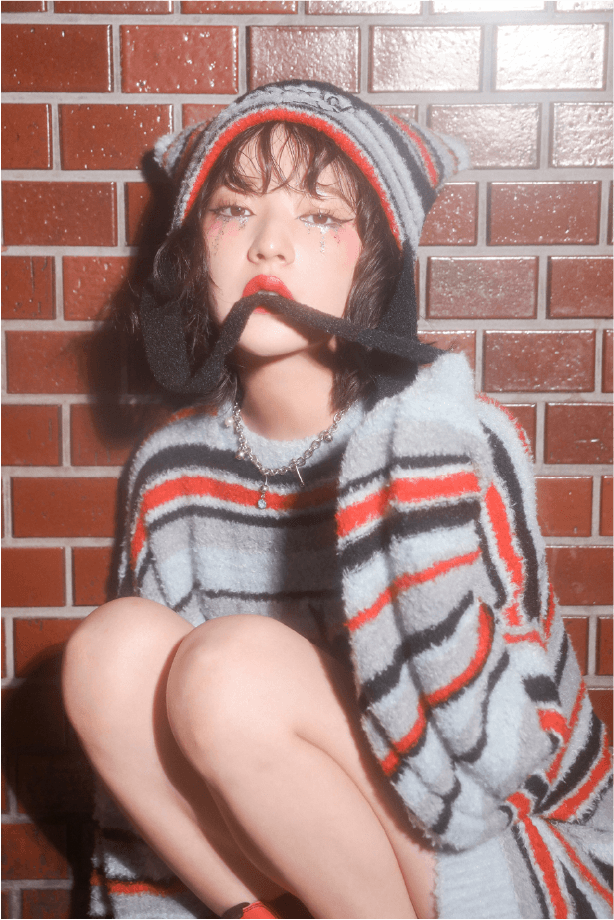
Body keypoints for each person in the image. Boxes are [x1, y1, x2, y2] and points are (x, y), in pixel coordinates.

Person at [62, 80, 614, 920]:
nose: (269, 246)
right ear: (192, 249)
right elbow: (147, 773)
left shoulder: (447, 440)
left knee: (227, 672)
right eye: (234, 209)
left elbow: (513, 749)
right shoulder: (169, 471)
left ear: (378, 259)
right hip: (292, 861)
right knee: (111, 651)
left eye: (320, 216)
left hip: (489, 847)